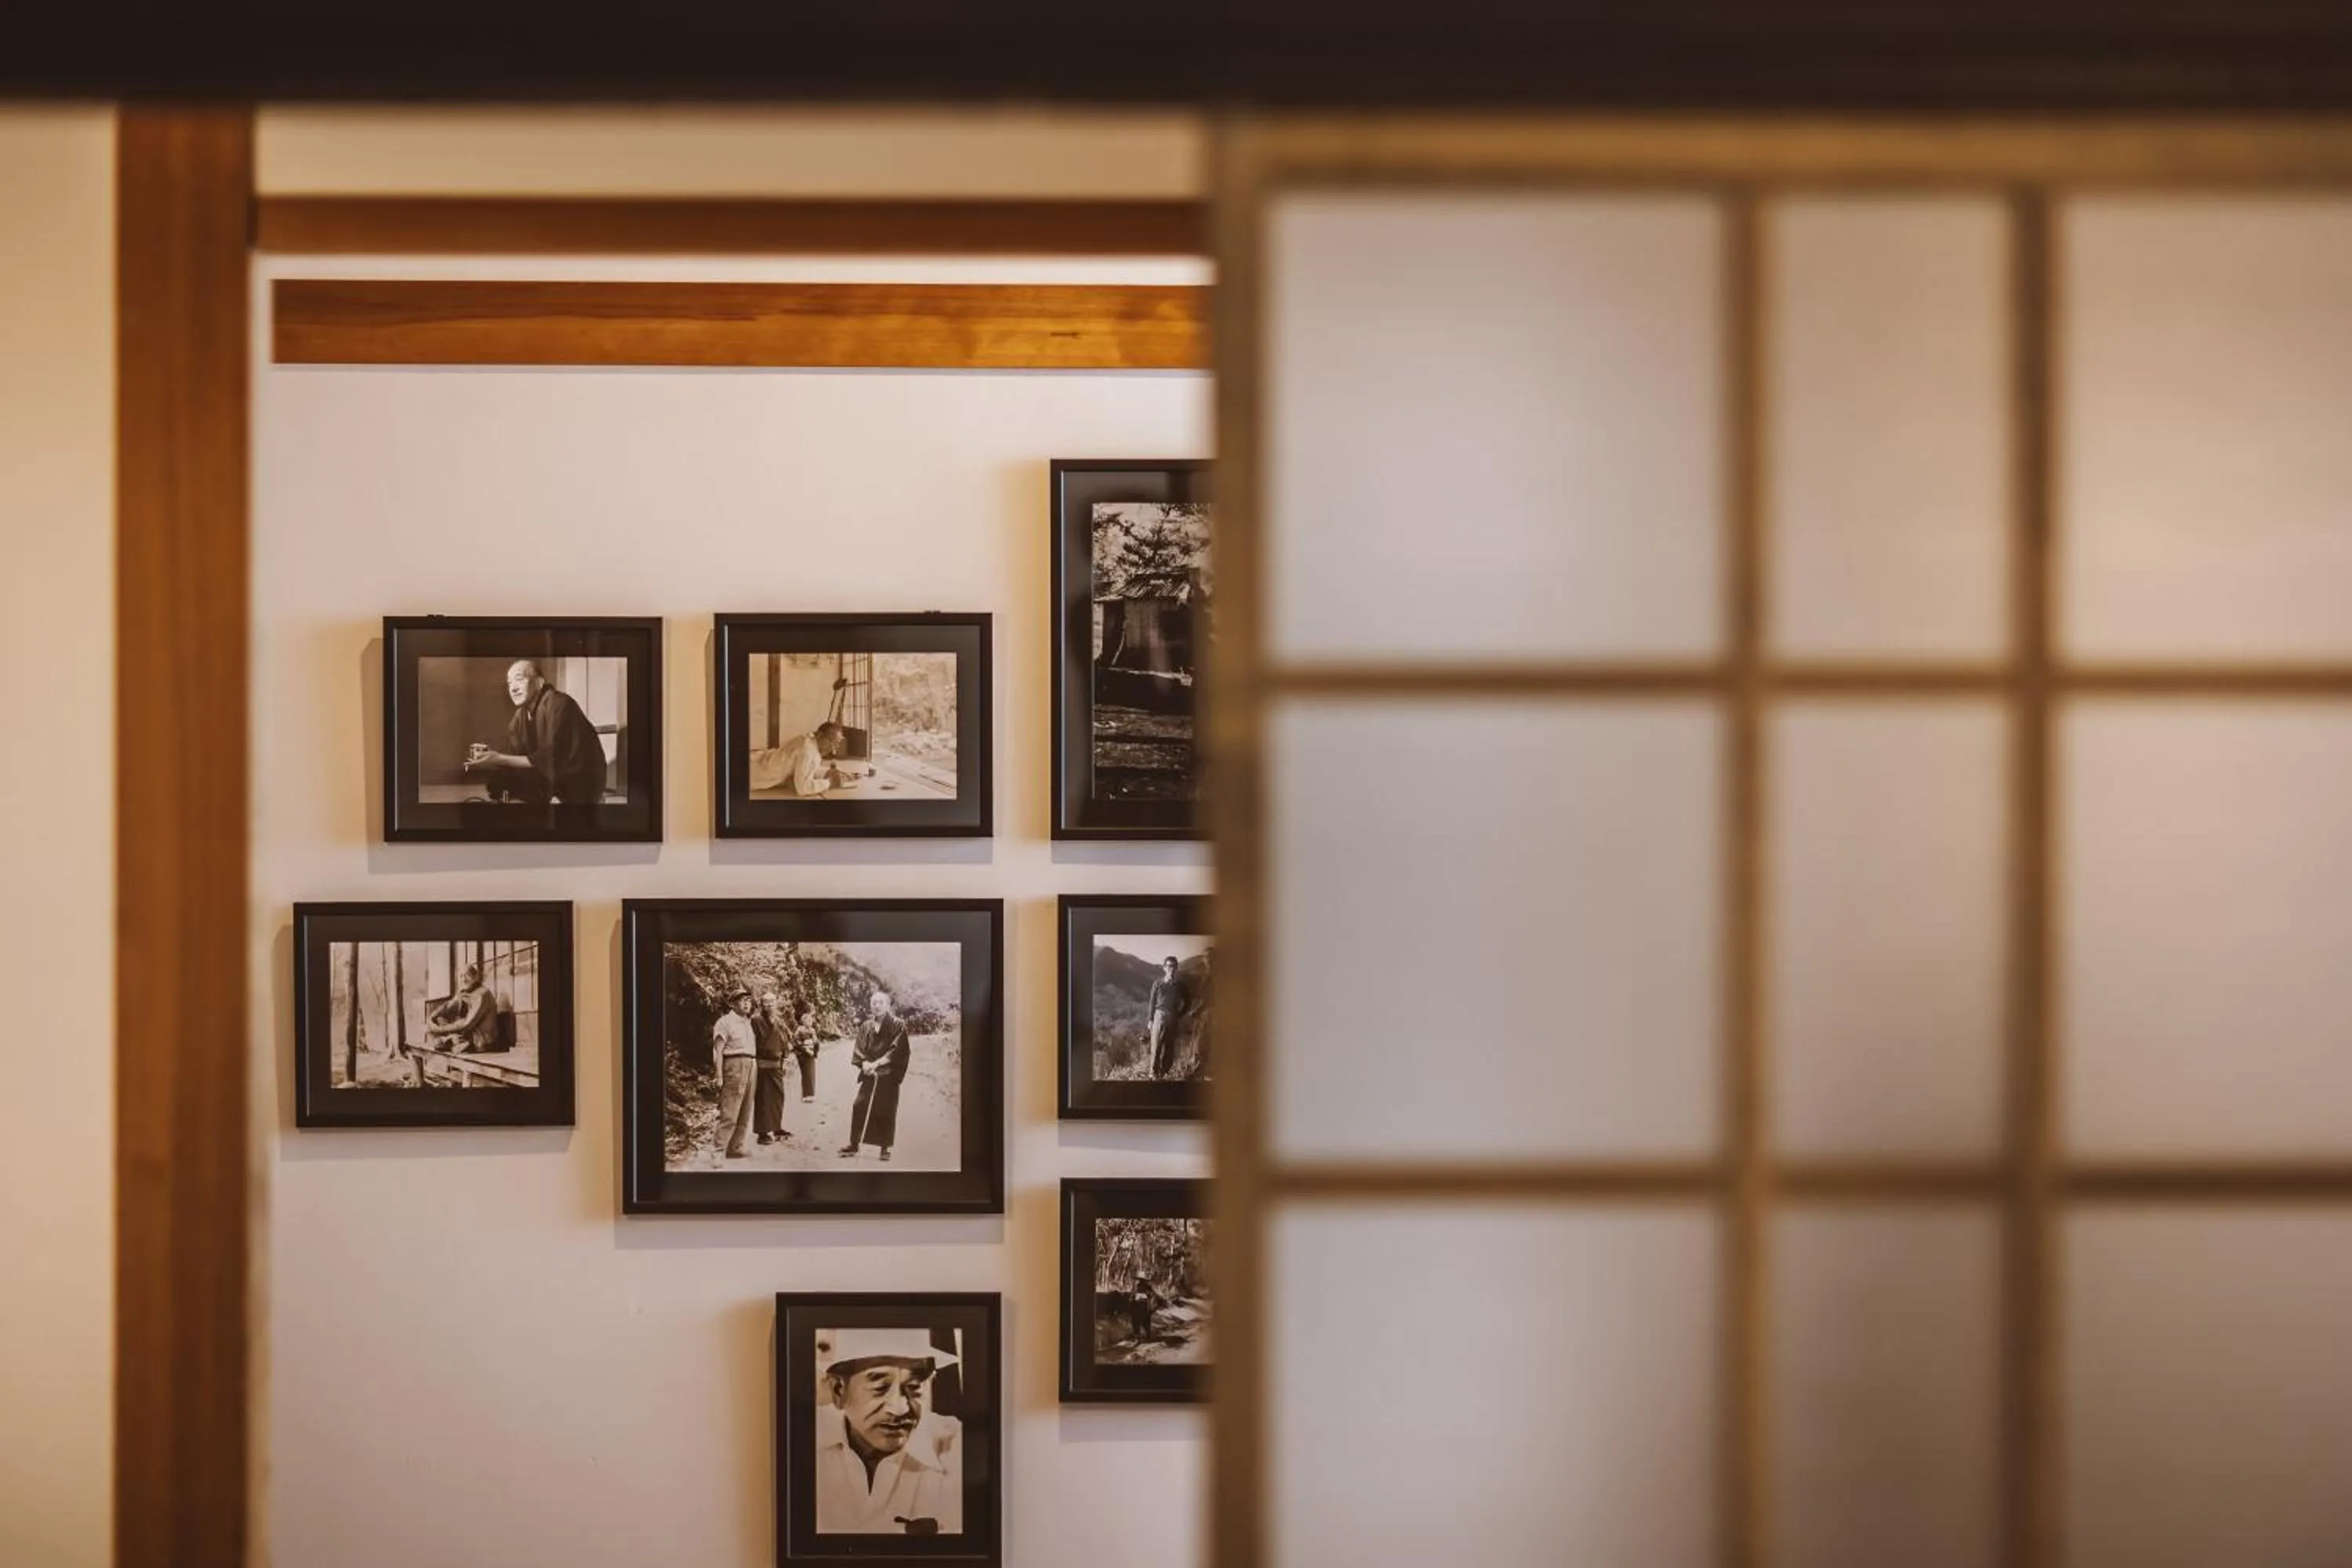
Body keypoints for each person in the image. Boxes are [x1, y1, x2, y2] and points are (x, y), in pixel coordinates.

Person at [812, 1328, 963, 1536]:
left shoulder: (957, 1447)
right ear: (839, 1390)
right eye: (880, 1387)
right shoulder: (802, 1445)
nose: (900, 1408)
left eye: (914, 1386)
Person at [463, 659, 609, 808]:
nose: (513, 688)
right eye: (509, 683)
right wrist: (491, 756)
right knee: (499, 781)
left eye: (519, 679)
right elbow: (514, 755)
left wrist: (499, 758)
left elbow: (553, 755)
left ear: (539, 683)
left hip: (579, 777)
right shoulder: (519, 717)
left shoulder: (559, 703)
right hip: (549, 774)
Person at [838, 990, 911, 1163]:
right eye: (874, 1003)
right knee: (859, 1105)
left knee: (886, 1109)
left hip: (888, 1074)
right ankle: (854, 1143)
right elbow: (859, 1048)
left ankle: (885, 1147)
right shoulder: (866, 1026)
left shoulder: (898, 1025)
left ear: (888, 1005)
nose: (877, 1006)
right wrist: (864, 1063)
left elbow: (898, 1050)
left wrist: (877, 1063)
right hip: (869, 1073)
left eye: (880, 1002)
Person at [710, 988, 760, 1161]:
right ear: (732, 1003)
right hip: (734, 1064)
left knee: (746, 1109)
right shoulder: (725, 1022)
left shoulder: (747, 1022)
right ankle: (718, 1151)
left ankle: (735, 1147)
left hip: (751, 1064)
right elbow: (718, 1051)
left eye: (748, 1000)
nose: (746, 1003)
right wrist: (719, 1077)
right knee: (730, 1110)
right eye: (742, 1000)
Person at [749, 720, 858, 797]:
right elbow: (803, 788)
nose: (833, 749)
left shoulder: (808, 739)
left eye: (836, 744)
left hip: (758, 759)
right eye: (831, 743)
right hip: (753, 773)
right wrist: (829, 782)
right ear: (820, 736)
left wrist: (830, 772)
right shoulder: (809, 752)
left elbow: (807, 768)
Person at [424, 963, 500, 1054]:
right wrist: (431, 1019)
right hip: (468, 1034)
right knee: (440, 1020)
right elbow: (446, 1008)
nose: (464, 980)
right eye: (461, 976)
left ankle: (452, 1041)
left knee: (447, 1034)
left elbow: (467, 1025)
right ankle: (453, 1040)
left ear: (476, 977)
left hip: (482, 1041)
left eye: (467, 975)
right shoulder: (465, 992)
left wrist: (438, 1030)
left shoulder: (482, 994)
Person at [751, 989, 793, 1146]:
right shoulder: (756, 1020)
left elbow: (784, 1041)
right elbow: (756, 1042)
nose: (769, 1005)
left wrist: (785, 1059)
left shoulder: (779, 1021)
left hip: (776, 1064)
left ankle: (776, 1127)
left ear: (776, 1003)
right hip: (762, 1064)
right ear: (761, 1004)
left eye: (772, 1002)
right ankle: (762, 1133)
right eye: (766, 1002)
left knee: (778, 1097)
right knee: (763, 1099)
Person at [1147, 955, 1189, 1079]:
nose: (1172, 969)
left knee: (1169, 1047)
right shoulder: (1158, 983)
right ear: (1164, 968)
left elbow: (1188, 1002)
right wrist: (1150, 1019)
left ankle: (1164, 1073)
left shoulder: (1180, 986)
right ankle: (1153, 1074)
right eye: (1169, 966)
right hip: (1159, 1015)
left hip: (1173, 1016)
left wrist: (1179, 1014)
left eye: (1174, 966)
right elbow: (1152, 1002)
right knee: (1156, 1045)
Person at [793, 1005, 822, 1104]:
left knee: (811, 1074)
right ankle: (806, 1095)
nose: (809, 1022)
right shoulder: (800, 1030)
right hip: (804, 1054)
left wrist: (815, 1050)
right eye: (807, 1020)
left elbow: (816, 1042)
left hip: (811, 1053)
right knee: (806, 1074)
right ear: (803, 1021)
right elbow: (796, 1041)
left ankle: (811, 1094)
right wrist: (804, 1048)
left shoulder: (813, 1030)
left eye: (810, 1020)